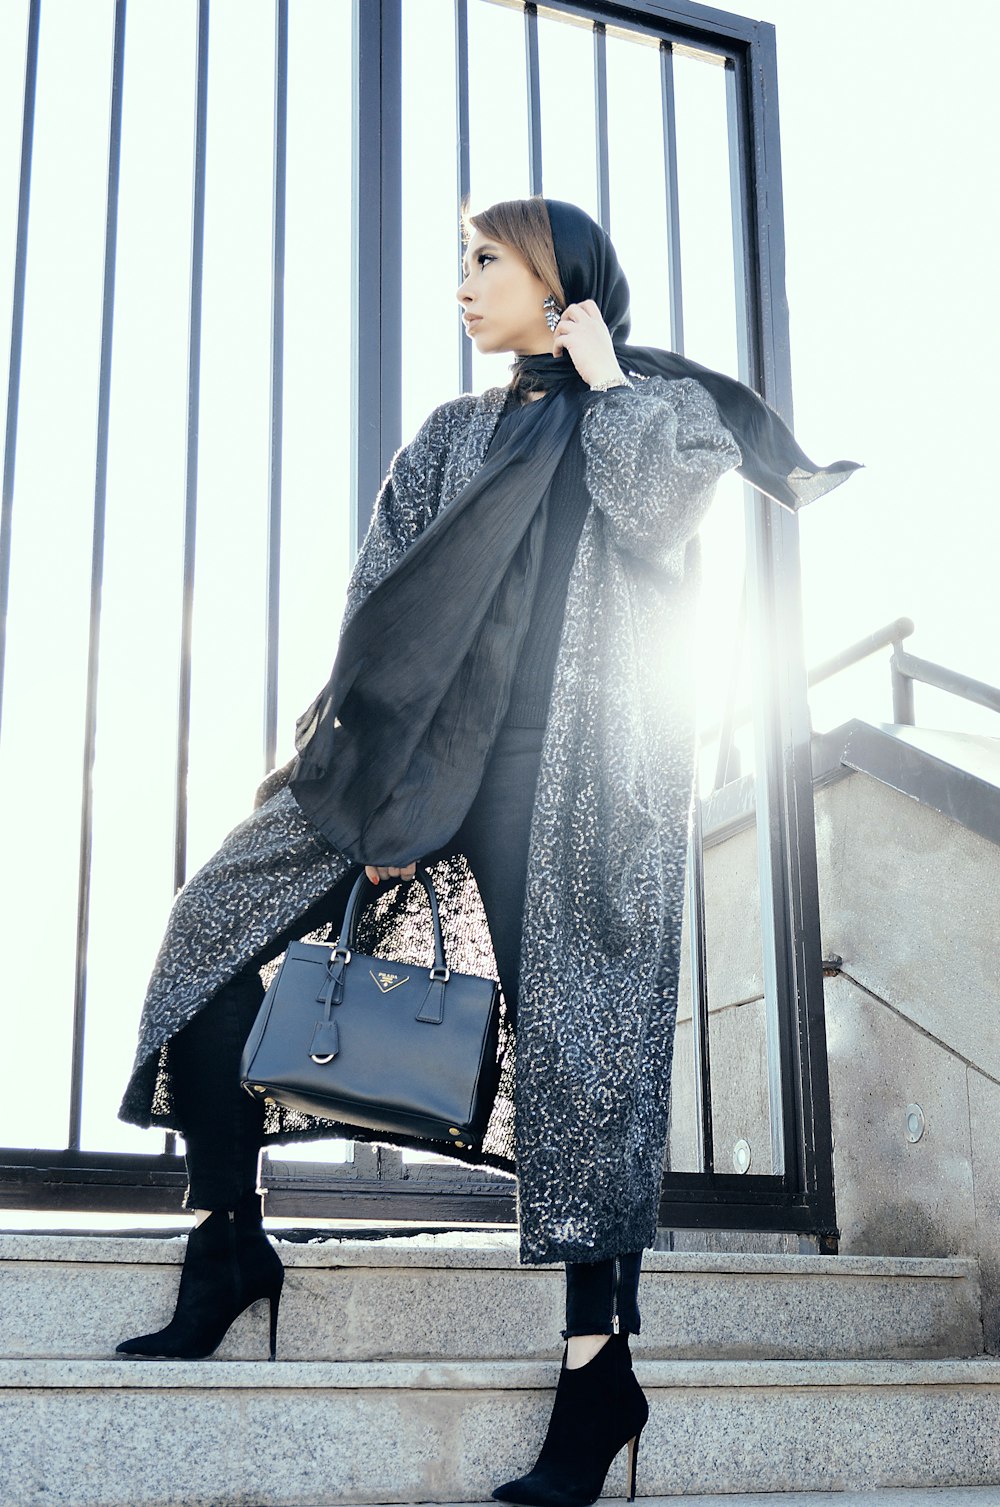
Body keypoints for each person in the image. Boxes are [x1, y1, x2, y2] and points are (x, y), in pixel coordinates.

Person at [114, 196, 860, 1504]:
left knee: (583, 1052)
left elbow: (657, 507)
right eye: (465, 262)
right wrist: (363, 777)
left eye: (487, 263)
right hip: (409, 755)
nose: (463, 285)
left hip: (574, 780)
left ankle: (597, 1373)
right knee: (211, 943)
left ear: (560, 283)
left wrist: (608, 380)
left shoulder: (652, 415)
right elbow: (379, 612)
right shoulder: (451, 436)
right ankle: (230, 1239)